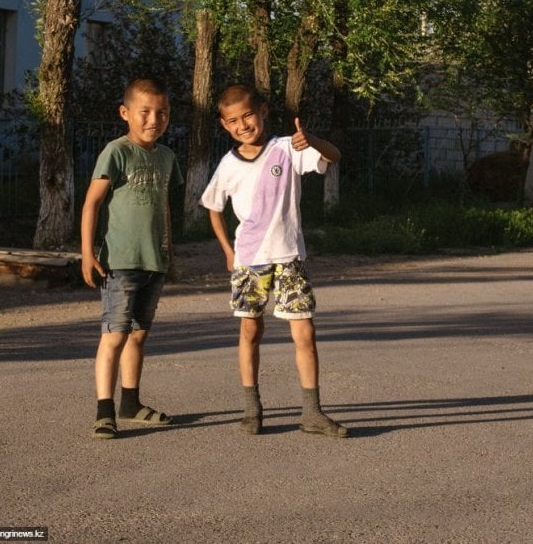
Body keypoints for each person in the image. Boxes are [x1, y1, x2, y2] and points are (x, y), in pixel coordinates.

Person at [200, 83, 348, 438]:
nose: (243, 124)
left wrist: (310, 139)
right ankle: (252, 410)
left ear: (263, 111)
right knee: (251, 330)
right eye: (233, 120)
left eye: (248, 115)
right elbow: (213, 209)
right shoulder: (228, 164)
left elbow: (334, 156)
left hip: (289, 259)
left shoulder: (287, 148)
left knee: (305, 332)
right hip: (250, 263)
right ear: (224, 125)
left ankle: (312, 412)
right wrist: (228, 252)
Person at [80, 77, 184, 439]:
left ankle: (131, 403)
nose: (154, 119)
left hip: (153, 261)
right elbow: (92, 203)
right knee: (114, 335)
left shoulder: (167, 157)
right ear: (126, 113)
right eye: (145, 112)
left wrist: (170, 254)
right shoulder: (117, 151)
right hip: (120, 261)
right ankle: (104, 411)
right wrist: (87, 253)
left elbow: (166, 209)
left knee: (138, 335)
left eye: (163, 113)